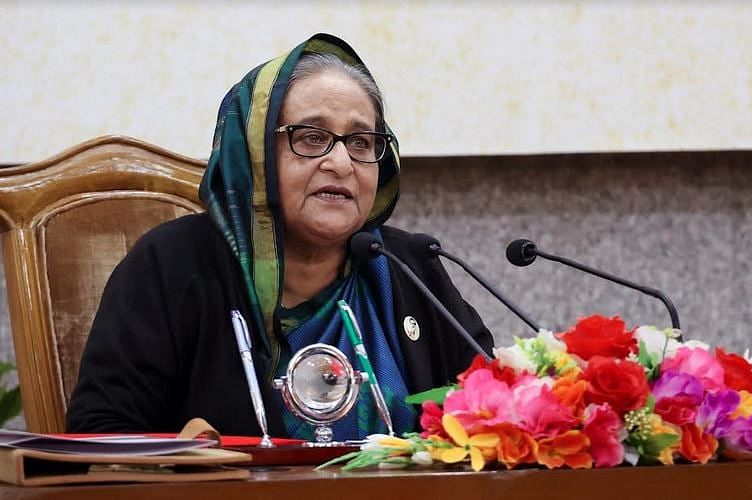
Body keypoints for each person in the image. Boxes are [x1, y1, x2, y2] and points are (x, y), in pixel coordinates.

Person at [66, 33, 492, 440]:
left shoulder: (408, 265)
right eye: (312, 138)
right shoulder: (171, 264)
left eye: (362, 142)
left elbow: (491, 407)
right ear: (254, 154)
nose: (341, 162)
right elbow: (103, 433)